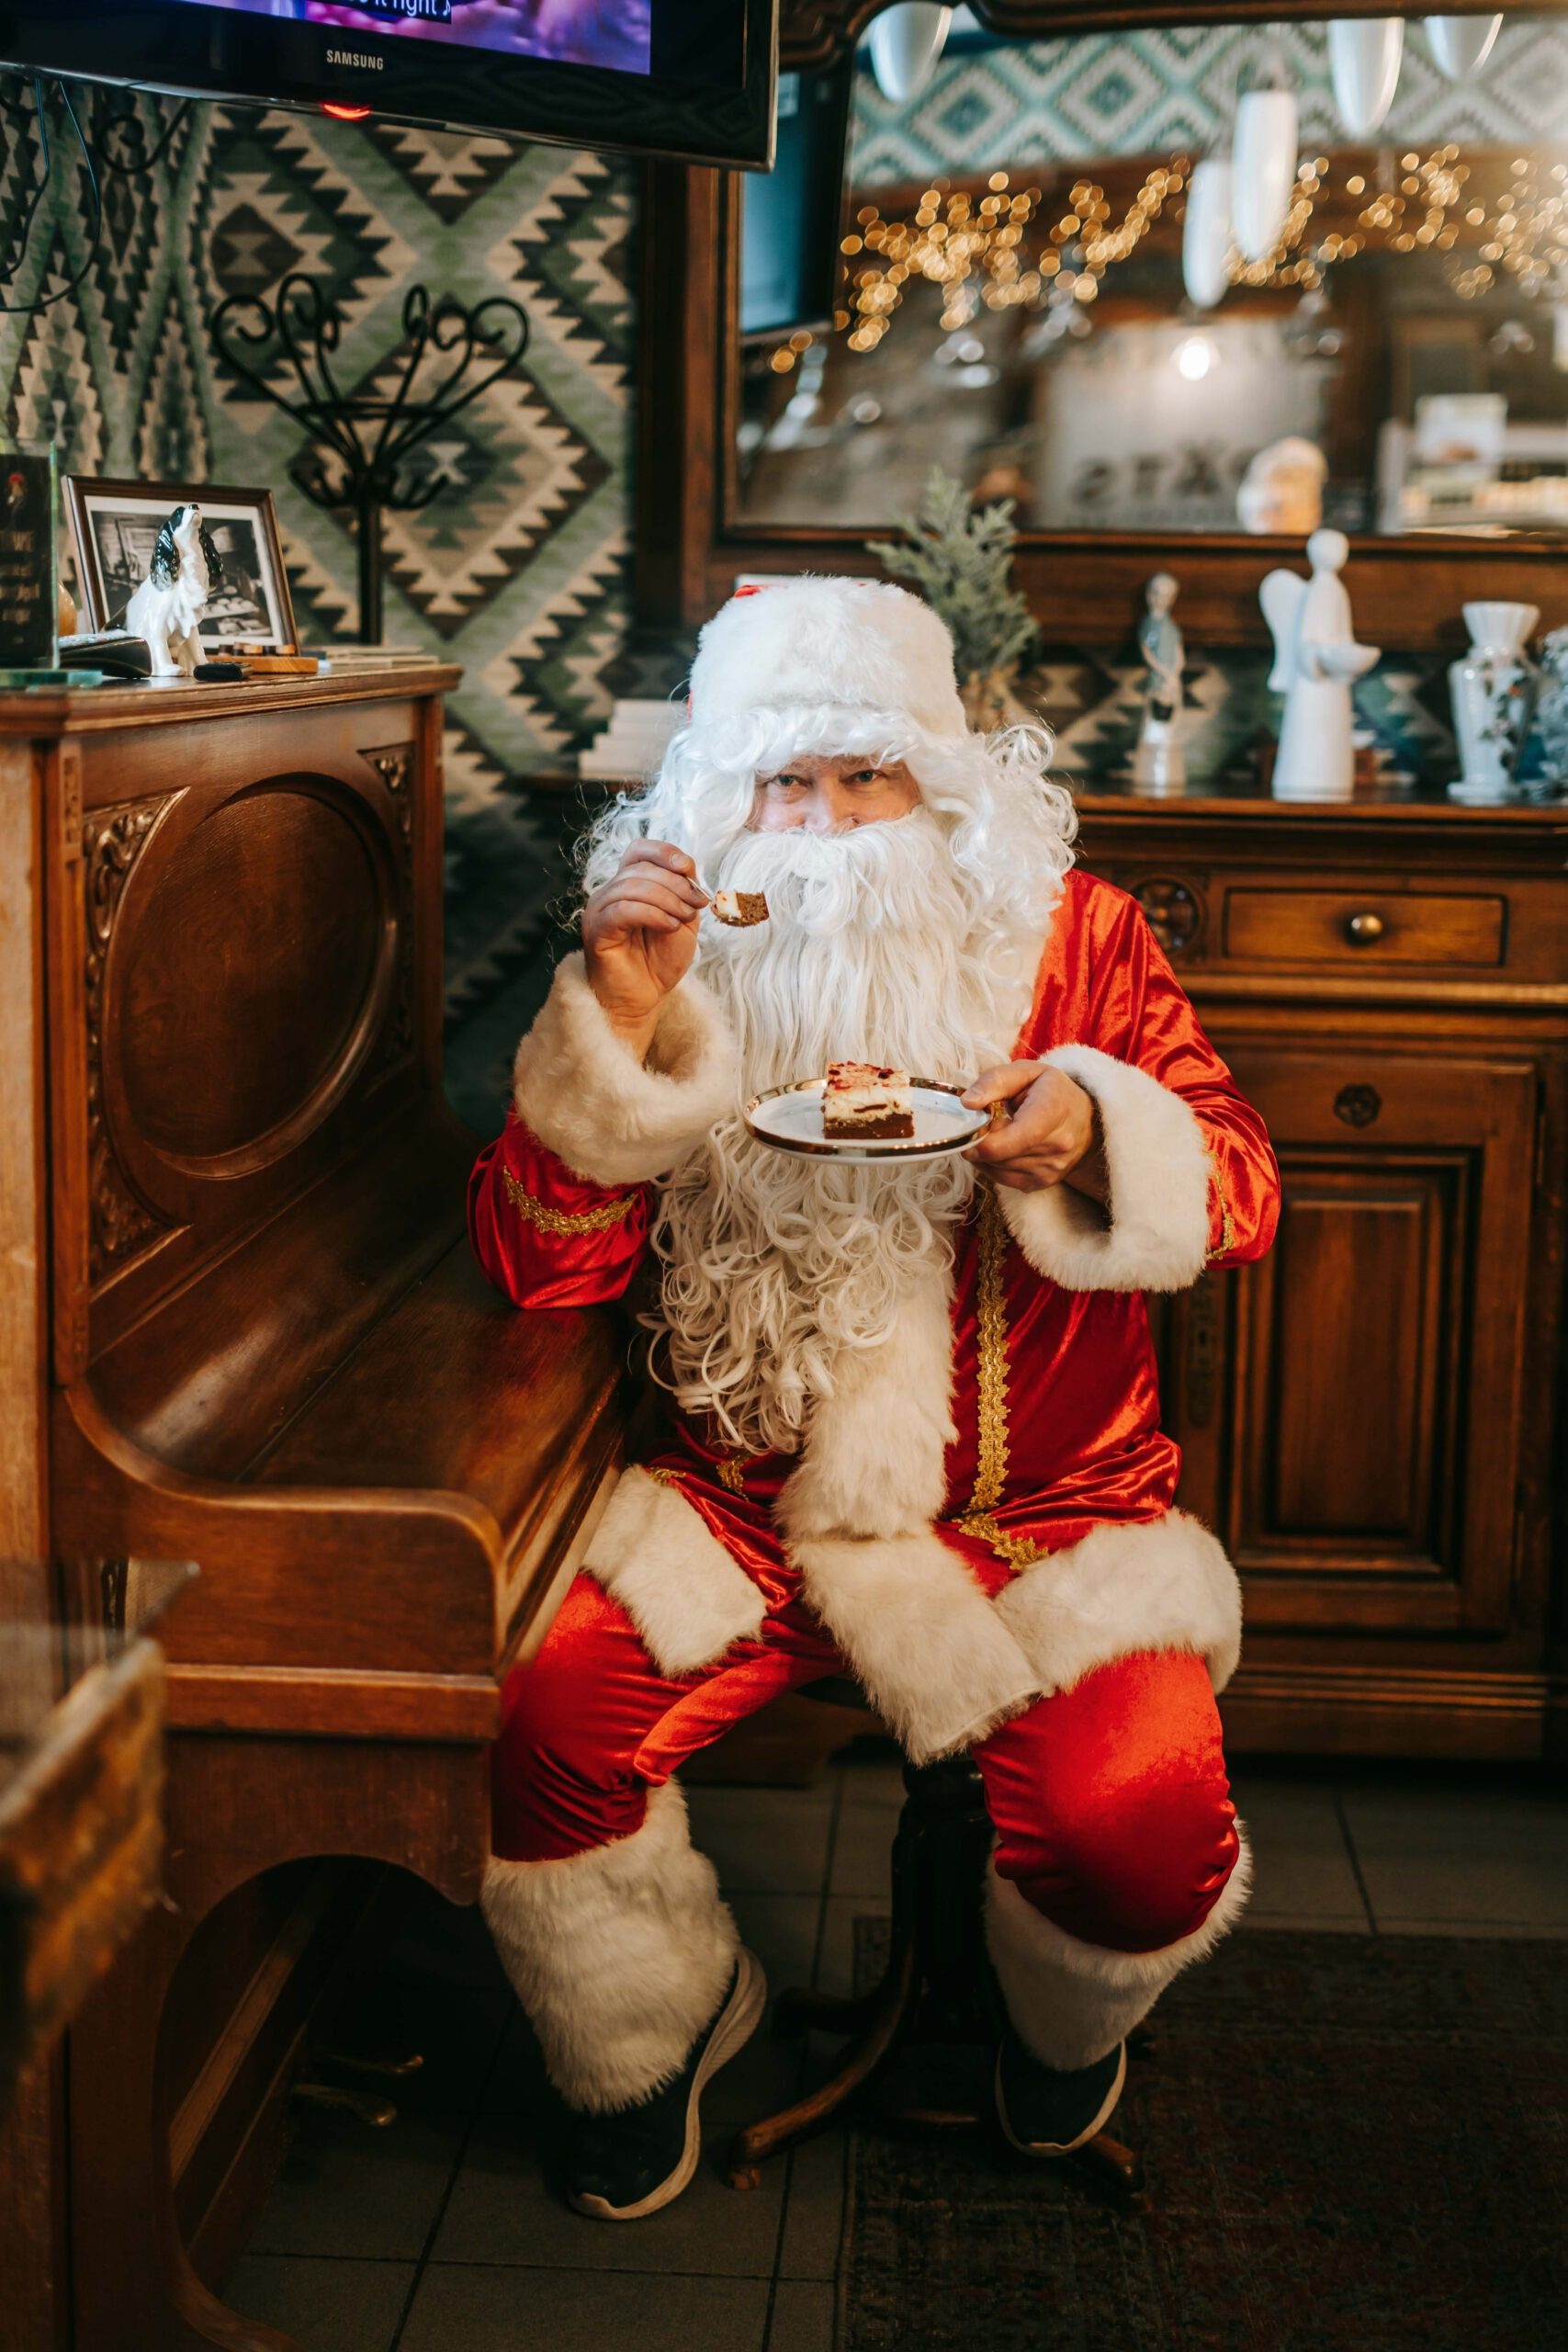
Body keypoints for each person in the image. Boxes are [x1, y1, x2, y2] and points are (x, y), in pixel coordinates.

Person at [468, 576, 1280, 2222]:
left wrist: (1093, 1130)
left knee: (1138, 1830)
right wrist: (615, 1018)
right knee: (543, 1721)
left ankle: (1056, 2021)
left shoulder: (1078, 938)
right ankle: (658, 2024)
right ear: (724, 797)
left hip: (1049, 1518)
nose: (826, 824)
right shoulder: (666, 952)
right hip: (742, 1510)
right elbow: (536, 1271)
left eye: (867, 776)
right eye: (785, 782)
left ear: (944, 785)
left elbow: (1245, 1188)